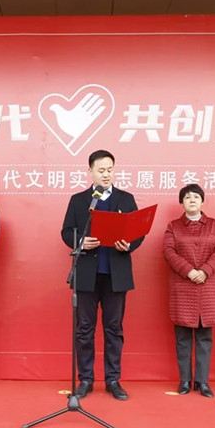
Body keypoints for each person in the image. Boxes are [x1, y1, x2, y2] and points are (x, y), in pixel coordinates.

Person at [61, 149, 144, 401]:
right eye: (101, 170)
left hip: (116, 274)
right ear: (90, 172)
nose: (106, 174)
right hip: (87, 273)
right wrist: (80, 241)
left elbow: (138, 231)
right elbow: (66, 231)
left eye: (110, 169)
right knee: (84, 329)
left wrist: (128, 244)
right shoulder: (79, 200)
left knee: (114, 329)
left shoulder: (126, 199)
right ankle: (85, 379)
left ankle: (113, 380)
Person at [163, 184, 215, 398]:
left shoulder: (214, 225)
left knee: (204, 336)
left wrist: (204, 271)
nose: (192, 200)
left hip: (207, 286)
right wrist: (189, 271)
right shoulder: (173, 226)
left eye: (196, 197)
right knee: (182, 336)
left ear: (202, 201)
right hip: (183, 285)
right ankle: (184, 381)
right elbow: (169, 251)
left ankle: (202, 381)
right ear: (181, 203)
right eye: (187, 197)